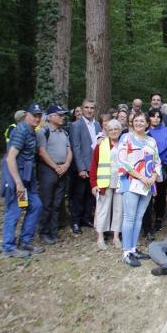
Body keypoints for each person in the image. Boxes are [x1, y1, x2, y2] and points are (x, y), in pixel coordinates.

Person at [0, 103, 46, 257]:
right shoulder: (21, 131)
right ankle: (8, 247)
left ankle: (25, 242)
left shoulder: (31, 130)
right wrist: (18, 183)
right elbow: (10, 158)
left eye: (39, 115)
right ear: (27, 115)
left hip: (27, 177)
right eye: (34, 115)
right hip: (17, 177)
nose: (37, 118)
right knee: (14, 210)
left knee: (36, 205)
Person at [117, 111, 162, 267]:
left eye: (142, 121)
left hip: (147, 185)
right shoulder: (126, 138)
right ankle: (126, 251)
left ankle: (134, 248)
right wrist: (141, 177)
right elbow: (123, 162)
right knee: (129, 217)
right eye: (136, 120)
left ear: (147, 123)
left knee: (139, 217)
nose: (139, 123)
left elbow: (157, 162)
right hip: (131, 182)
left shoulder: (151, 141)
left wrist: (152, 178)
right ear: (132, 123)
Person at [36, 104, 72, 245]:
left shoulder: (64, 133)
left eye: (63, 115)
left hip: (62, 169)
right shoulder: (43, 131)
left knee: (57, 202)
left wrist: (67, 165)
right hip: (48, 170)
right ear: (51, 117)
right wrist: (55, 166)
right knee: (47, 202)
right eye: (60, 115)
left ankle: (53, 230)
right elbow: (42, 151)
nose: (63, 117)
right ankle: (44, 232)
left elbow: (69, 150)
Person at [142, 108, 167, 239]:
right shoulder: (145, 132)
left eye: (158, 116)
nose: (155, 118)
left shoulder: (166, 131)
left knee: (161, 194)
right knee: (149, 193)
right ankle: (147, 222)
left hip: (164, 165)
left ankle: (159, 218)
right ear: (148, 118)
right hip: (148, 166)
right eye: (153, 116)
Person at [89, 119, 123, 250]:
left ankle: (116, 236)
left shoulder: (124, 144)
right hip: (104, 183)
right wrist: (93, 184)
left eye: (116, 129)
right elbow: (94, 165)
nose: (114, 132)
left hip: (120, 182)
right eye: (111, 130)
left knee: (119, 209)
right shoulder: (101, 144)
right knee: (103, 210)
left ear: (120, 131)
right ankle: (100, 237)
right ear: (107, 131)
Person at [69, 99, 101, 234]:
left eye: (92, 108)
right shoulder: (76, 125)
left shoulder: (98, 125)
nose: (89, 110)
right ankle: (75, 221)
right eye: (86, 107)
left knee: (91, 195)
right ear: (82, 109)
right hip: (82, 166)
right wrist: (81, 168)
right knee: (78, 195)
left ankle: (86, 217)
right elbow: (75, 147)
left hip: (95, 166)